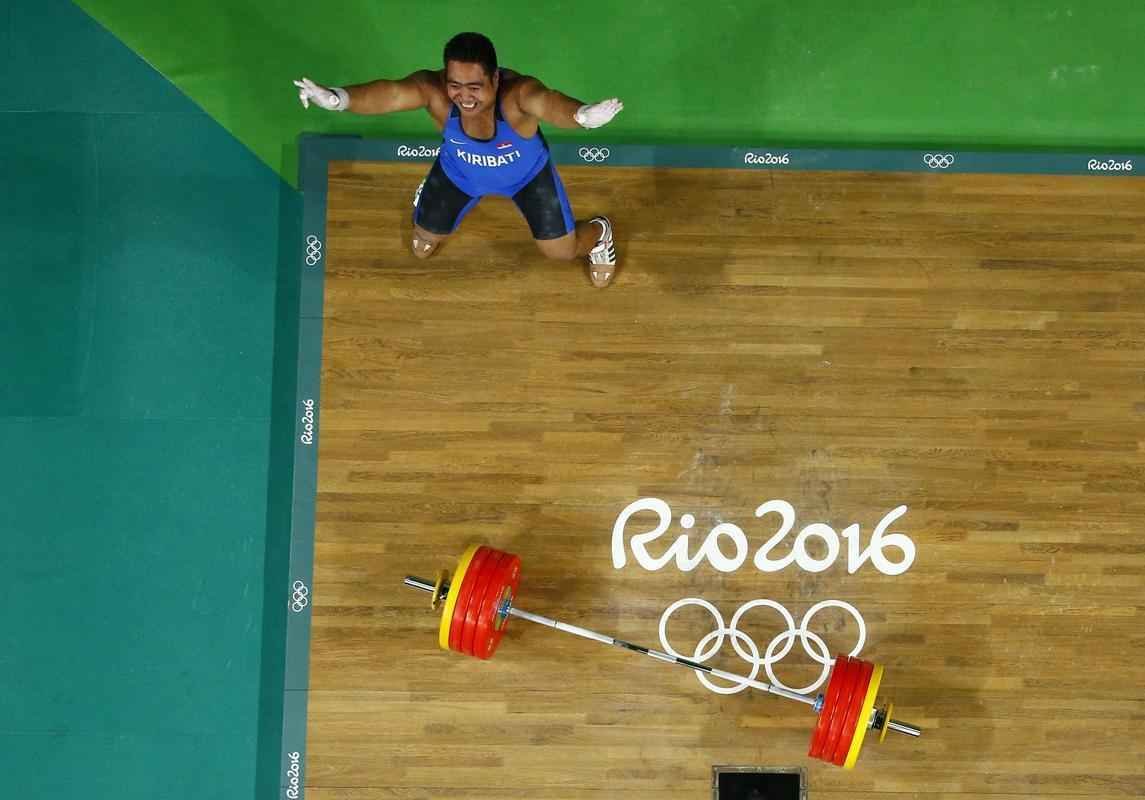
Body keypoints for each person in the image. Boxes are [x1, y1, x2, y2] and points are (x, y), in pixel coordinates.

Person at [294, 32, 624, 287]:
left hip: (528, 179)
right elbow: (390, 94)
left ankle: (601, 232)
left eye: (474, 86)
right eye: (455, 85)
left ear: (495, 78)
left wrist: (581, 115)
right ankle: (430, 193)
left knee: (561, 252)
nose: (464, 96)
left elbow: (548, 103)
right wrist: (339, 99)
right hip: (459, 175)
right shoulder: (435, 93)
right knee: (423, 240)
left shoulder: (517, 96)